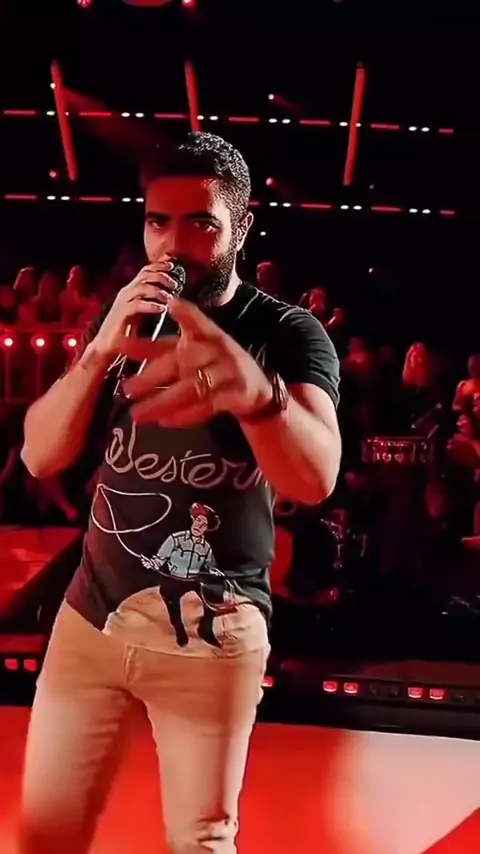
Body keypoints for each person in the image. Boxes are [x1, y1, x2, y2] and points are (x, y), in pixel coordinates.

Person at [19, 132, 341, 854]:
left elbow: (316, 477)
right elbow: (39, 455)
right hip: (90, 624)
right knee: (43, 836)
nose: (172, 244)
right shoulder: (126, 321)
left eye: (200, 223)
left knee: (199, 842)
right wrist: (99, 352)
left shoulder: (286, 332)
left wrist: (260, 398)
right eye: (157, 222)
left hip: (212, 635)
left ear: (241, 228)